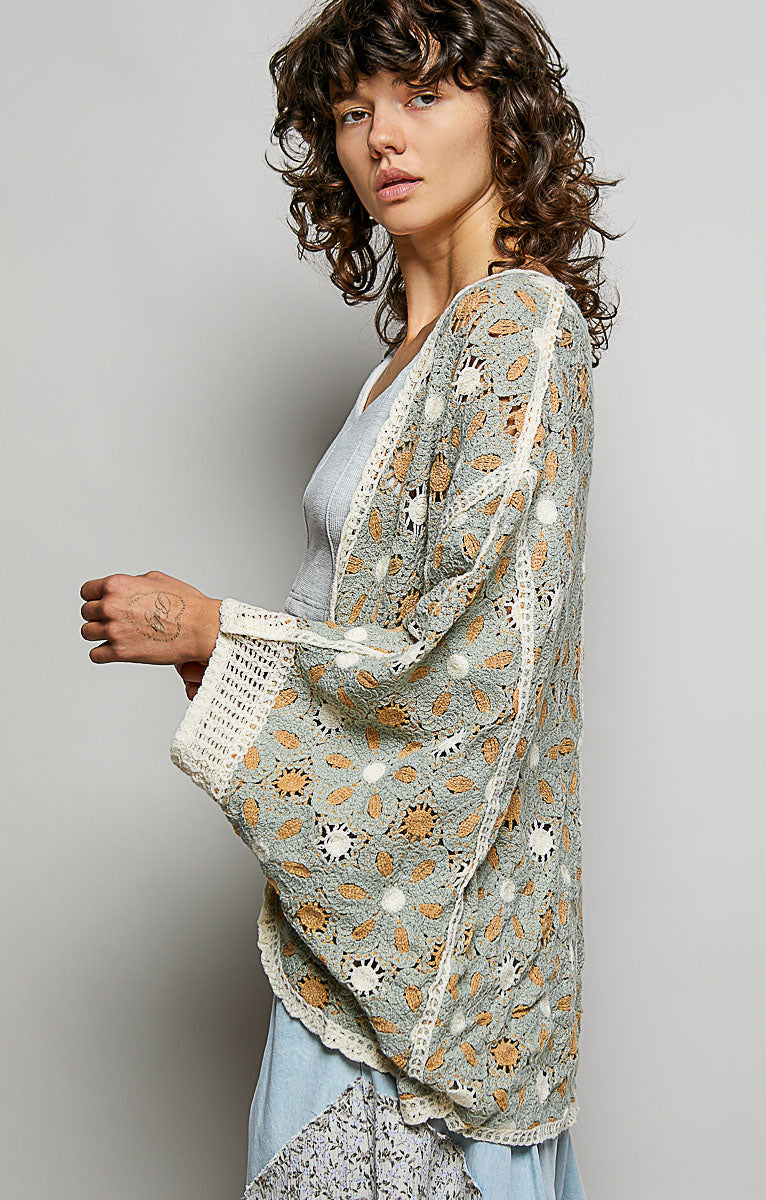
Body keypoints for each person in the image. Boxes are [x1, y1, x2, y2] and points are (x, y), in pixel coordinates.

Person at [79, 1, 620, 1196]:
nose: (382, 134)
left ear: (503, 114)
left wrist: (214, 628)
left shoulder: (518, 328)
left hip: (431, 969)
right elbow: (370, 636)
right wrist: (221, 657)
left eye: (422, 95)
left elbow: (476, 668)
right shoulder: (399, 369)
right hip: (346, 940)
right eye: (351, 110)